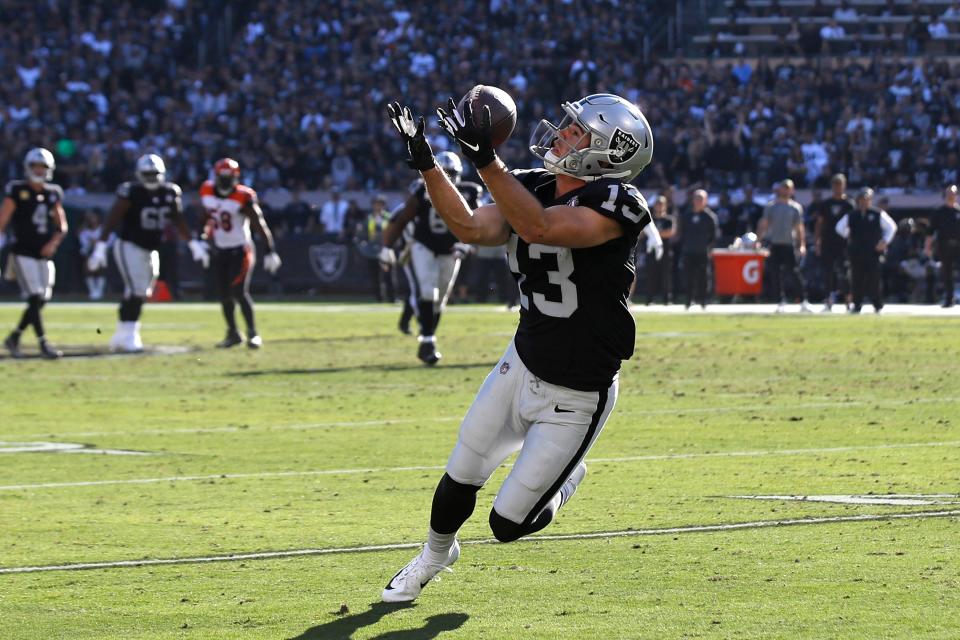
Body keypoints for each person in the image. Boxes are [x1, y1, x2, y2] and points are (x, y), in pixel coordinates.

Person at [381, 92, 653, 601]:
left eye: (576, 131)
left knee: (507, 525)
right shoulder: (530, 185)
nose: (562, 133)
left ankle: (566, 478)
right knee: (459, 475)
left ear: (607, 152)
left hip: (579, 392)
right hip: (523, 361)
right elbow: (467, 225)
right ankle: (433, 556)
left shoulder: (618, 204)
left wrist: (485, 159)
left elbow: (541, 226)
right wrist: (427, 161)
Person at [87, 154, 209, 352]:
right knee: (137, 291)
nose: (151, 178)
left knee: (141, 292)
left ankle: (121, 334)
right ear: (139, 174)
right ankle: (130, 335)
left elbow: (177, 219)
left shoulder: (169, 192)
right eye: (147, 174)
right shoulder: (131, 192)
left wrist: (193, 244)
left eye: (154, 174)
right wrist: (100, 246)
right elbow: (112, 218)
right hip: (129, 245)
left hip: (152, 248)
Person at [379, 151, 482, 365]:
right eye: (443, 173)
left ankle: (427, 337)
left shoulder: (470, 192)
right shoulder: (422, 191)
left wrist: (467, 243)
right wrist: (387, 247)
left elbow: (481, 222)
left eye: (451, 173)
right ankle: (428, 341)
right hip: (423, 245)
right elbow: (401, 218)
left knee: (441, 299)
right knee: (427, 292)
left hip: (451, 249)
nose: (447, 178)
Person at [199, 158, 281, 348]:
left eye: (230, 176)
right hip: (220, 249)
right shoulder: (207, 191)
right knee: (223, 293)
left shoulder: (243, 196)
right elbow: (205, 217)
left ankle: (253, 333)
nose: (226, 180)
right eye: (223, 176)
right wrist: (201, 238)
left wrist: (270, 250)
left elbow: (258, 224)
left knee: (239, 291)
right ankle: (233, 333)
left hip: (241, 250)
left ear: (236, 176)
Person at [0, 148, 67, 359]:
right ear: (28, 168)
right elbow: (3, 220)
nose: (39, 171)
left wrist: (53, 243)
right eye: (36, 167)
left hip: (44, 254)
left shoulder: (52, 193)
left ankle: (15, 336)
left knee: (41, 300)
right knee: (35, 296)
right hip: (22, 252)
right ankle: (43, 343)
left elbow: (61, 225)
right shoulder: (17, 190)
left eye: (43, 167)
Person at [835, 188, 897, 313]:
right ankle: (857, 304)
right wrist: (849, 236)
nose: (864, 202)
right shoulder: (852, 215)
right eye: (862, 199)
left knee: (874, 278)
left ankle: (877, 304)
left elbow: (891, 227)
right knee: (856, 279)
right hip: (856, 251)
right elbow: (839, 228)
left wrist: (884, 241)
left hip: (873, 251)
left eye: (867, 199)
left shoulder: (877, 214)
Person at [757, 179, 811, 312]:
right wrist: (758, 239)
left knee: (794, 272)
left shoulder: (795, 207)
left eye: (788, 188)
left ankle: (803, 300)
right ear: (780, 190)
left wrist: (802, 244)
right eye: (784, 188)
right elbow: (764, 224)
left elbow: (799, 228)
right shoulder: (771, 206)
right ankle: (780, 301)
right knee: (776, 274)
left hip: (789, 244)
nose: (786, 190)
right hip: (775, 244)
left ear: (792, 190)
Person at [814, 174, 853, 311]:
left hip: (843, 242)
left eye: (840, 185)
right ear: (832, 187)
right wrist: (817, 241)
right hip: (828, 241)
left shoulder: (849, 204)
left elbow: (853, 225)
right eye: (835, 185)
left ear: (844, 186)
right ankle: (828, 298)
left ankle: (848, 298)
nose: (838, 188)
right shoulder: (826, 204)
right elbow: (819, 223)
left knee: (845, 271)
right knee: (828, 271)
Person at [676, 189, 718, 309]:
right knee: (688, 277)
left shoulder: (710, 217)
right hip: (688, 251)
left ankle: (703, 300)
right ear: (693, 200)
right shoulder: (686, 216)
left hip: (703, 252)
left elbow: (714, 235)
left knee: (703, 277)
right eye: (697, 198)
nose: (698, 201)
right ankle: (689, 300)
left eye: (701, 199)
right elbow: (682, 232)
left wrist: (709, 248)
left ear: (705, 201)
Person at [924, 184, 960, 307]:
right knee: (947, 273)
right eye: (949, 193)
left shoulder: (958, 211)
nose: (951, 196)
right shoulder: (938, 212)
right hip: (944, 245)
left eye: (953, 193)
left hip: (958, 245)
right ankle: (949, 299)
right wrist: (927, 247)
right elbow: (930, 231)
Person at [644, 195, 675, 304]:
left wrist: (654, 234)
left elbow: (670, 233)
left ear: (665, 206)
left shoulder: (669, 219)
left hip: (665, 251)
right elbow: (643, 233)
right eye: (657, 204)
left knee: (666, 275)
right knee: (651, 275)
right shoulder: (649, 219)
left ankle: (667, 299)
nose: (659, 207)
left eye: (661, 204)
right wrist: (657, 234)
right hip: (651, 251)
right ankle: (649, 299)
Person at [78, 209, 107, 300]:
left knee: (101, 270)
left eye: (94, 217)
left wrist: (98, 243)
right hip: (88, 254)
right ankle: (93, 291)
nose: (92, 220)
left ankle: (99, 291)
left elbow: (109, 241)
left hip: (102, 254)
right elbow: (83, 243)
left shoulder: (103, 229)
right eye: (90, 218)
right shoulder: (84, 231)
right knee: (88, 270)